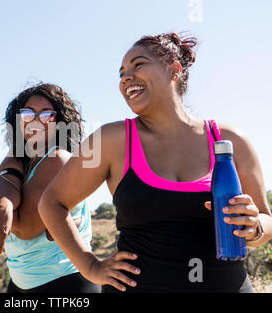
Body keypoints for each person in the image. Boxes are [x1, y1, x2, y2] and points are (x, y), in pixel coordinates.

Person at [39, 33, 272, 293]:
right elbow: (51, 203)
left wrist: (256, 227)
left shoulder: (230, 141)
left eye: (138, 65)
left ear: (174, 69)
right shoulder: (110, 140)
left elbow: (265, 218)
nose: (126, 77)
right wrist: (90, 266)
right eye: (121, 73)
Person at [0, 83, 101, 293]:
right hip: (21, 283)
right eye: (28, 114)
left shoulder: (58, 160)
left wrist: (3, 210)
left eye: (46, 114)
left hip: (64, 283)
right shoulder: (19, 159)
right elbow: (7, 204)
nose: (36, 121)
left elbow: (23, 229)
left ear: (59, 121)